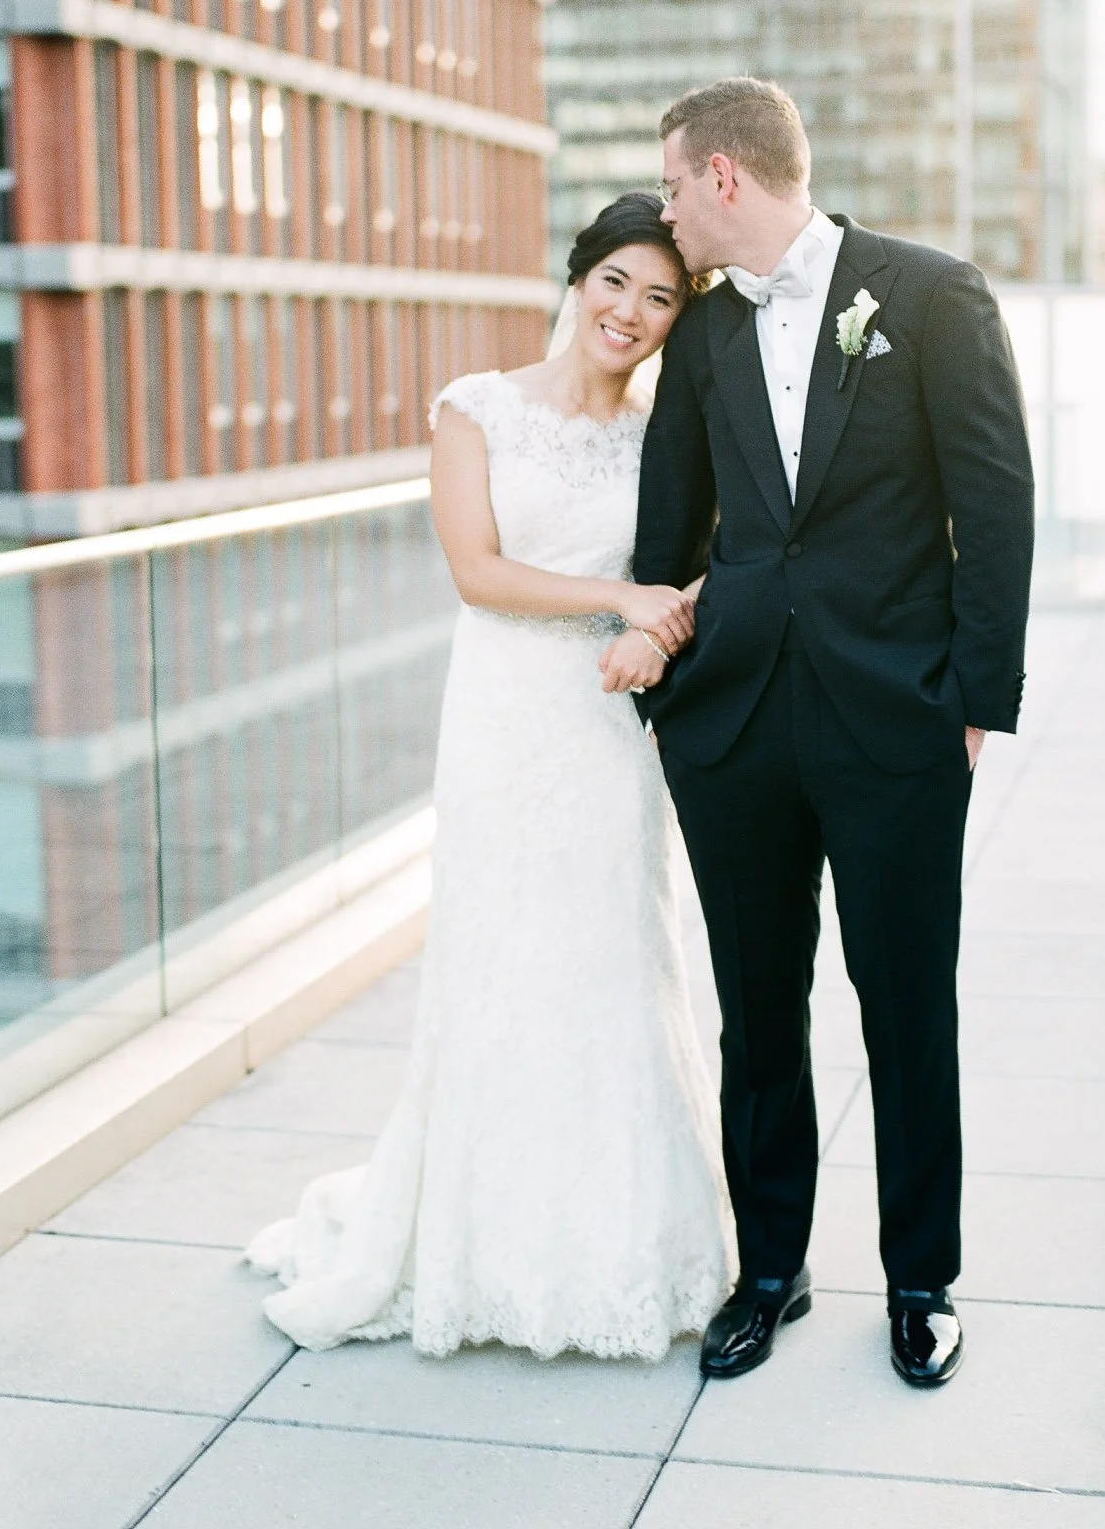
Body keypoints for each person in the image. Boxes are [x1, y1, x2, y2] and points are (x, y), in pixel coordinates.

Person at [246, 193, 734, 1360]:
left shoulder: (670, 435)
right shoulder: (477, 411)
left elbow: (715, 567)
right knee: (502, 960)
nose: (631, 311)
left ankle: (621, 1245)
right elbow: (477, 570)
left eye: (660, 297)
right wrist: (620, 598)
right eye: (616, 281)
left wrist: (654, 628)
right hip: (509, 719)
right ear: (578, 279)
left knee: (617, 961)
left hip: (613, 727)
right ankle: (484, 1246)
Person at [601, 78, 1034, 1386]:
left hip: (894, 727)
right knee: (758, 1010)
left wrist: (970, 703)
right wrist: (673, 688)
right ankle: (770, 1268)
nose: (665, 209)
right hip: (736, 730)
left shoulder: (929, 296)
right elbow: (669, 528)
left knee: (904, 1009)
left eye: (673, 185)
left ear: (723, 178)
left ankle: (920, 1280)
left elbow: (994, 504)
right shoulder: (707, 338)